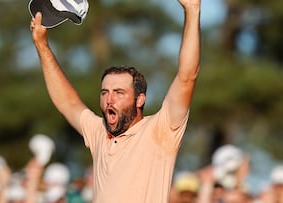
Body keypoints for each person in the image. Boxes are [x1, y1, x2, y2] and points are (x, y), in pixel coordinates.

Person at [30, 0, 201, 202]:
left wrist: (192, 10)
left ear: (140, 100)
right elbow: (67, 103)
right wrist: (42, 46)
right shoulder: (99, 132)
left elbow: (187, 77)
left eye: (119, 92)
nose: (109, 99)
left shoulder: (160, 130)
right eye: (104, 92)